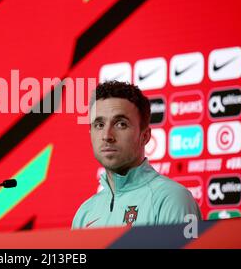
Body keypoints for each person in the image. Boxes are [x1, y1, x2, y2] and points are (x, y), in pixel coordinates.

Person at [72, 80, 201, 229]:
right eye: (99, 125)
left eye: (121, 124)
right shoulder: (84, 214)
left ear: (145, 136)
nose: (107, 135)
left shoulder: (173, 199)